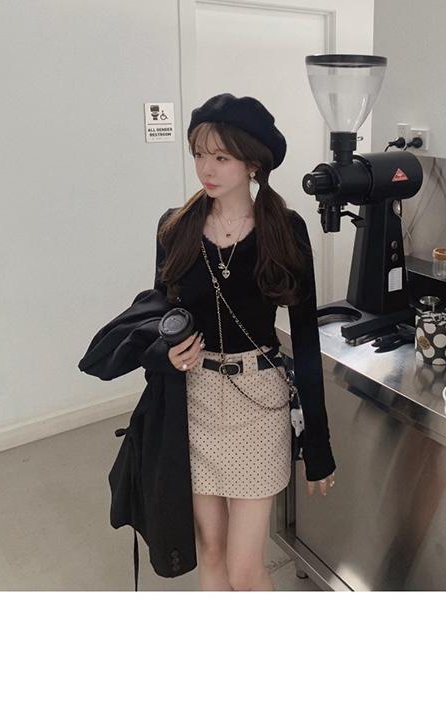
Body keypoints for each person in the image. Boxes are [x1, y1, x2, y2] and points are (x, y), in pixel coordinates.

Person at [155, 93, 336, 591]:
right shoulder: (175, 227)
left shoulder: (284, 229)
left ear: (253, 163)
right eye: (198, 154)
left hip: (259, 403)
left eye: (221, 156)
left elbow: (305, 341)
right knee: (210, 551)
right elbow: (156, 316)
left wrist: (317, 444)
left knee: (244, 567)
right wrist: (167, 351)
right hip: (194, 399)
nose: (205, 169)